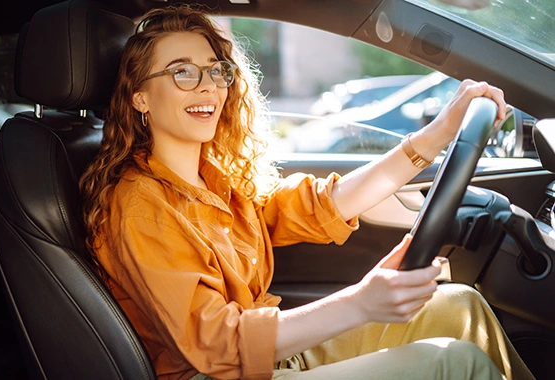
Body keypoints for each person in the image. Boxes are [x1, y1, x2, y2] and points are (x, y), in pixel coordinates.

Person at [79, 5, 534, 380]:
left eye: (215, 72)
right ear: (139, 96)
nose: (207, 87)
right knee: (454, 364)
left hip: (273, 359)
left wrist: (436, 136)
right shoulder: (139, 204)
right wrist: (360, 302)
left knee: (460, 306)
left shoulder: (217, 181)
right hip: (220, 374)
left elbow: (321, 205)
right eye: (182, 73)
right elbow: (217, 346)